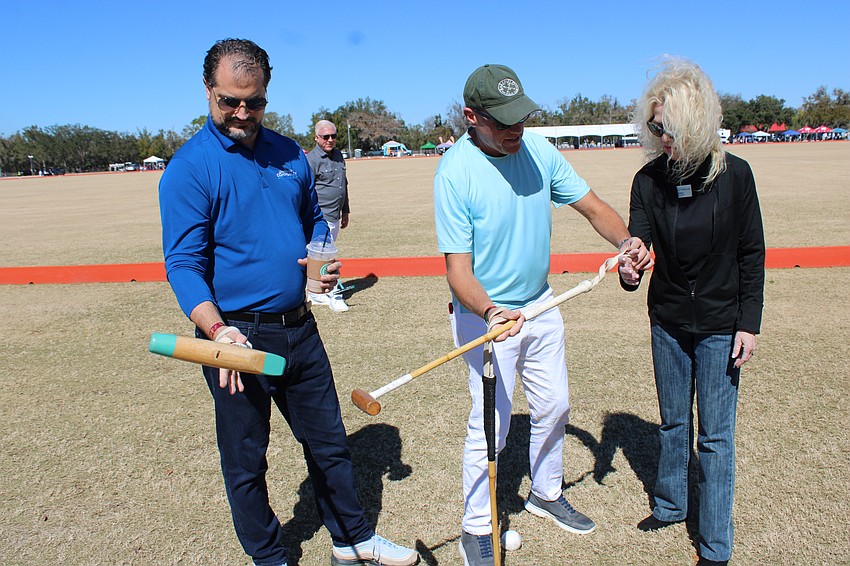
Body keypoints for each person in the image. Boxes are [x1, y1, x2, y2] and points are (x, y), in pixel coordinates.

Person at [158, 38, 419, 566]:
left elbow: (313, 222)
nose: (241, 113)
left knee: (329, 445)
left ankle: (352, 541)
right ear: (207, 91)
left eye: (253, 101)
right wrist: (216, 331)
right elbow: (183, 265)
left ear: (266, 95)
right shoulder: (190, 167)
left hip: (299, 329)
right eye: (229, 100)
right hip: (234, 338)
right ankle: (270, 557)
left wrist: (319, 260)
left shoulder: (288, 154)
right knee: (246, 461)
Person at [433, 64, 652, 566]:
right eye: (503, 121)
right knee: (491, 426)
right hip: (486, 316)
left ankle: (545, 493)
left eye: (521, 118)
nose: (516, 130)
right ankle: (475, 526)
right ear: (471, 117)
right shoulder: (454, 173)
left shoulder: (539, 152)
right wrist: (491, 312)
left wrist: (626, 242)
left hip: (542, 303)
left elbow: (594, 207)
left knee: (554, 406)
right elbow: (458, 274)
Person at [619, 57, 765, 566]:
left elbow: (752, 253)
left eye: (672, 128)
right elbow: (638, 241)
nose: (662, 138)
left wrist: (749, 323)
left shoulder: (737, 177)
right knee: (673, 422)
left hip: (723, 325)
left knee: (716, 437)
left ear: (699, 123)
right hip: (669, 320)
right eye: (656, 127)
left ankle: (715, 545)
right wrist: (630, 264)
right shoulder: (648, 181)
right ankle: (671, 504)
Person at [306, 119, 351, 312]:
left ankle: (320, 291)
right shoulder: (312, 160)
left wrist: (346, 210)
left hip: (335, 214)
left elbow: (343, 185)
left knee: (327, 253)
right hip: (320, 217)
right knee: (321, 255)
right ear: (316, 138)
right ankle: (318, 293)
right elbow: (306, 189)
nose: (330, 140)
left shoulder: (339, 156)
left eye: (333, 136)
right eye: (325, 136)